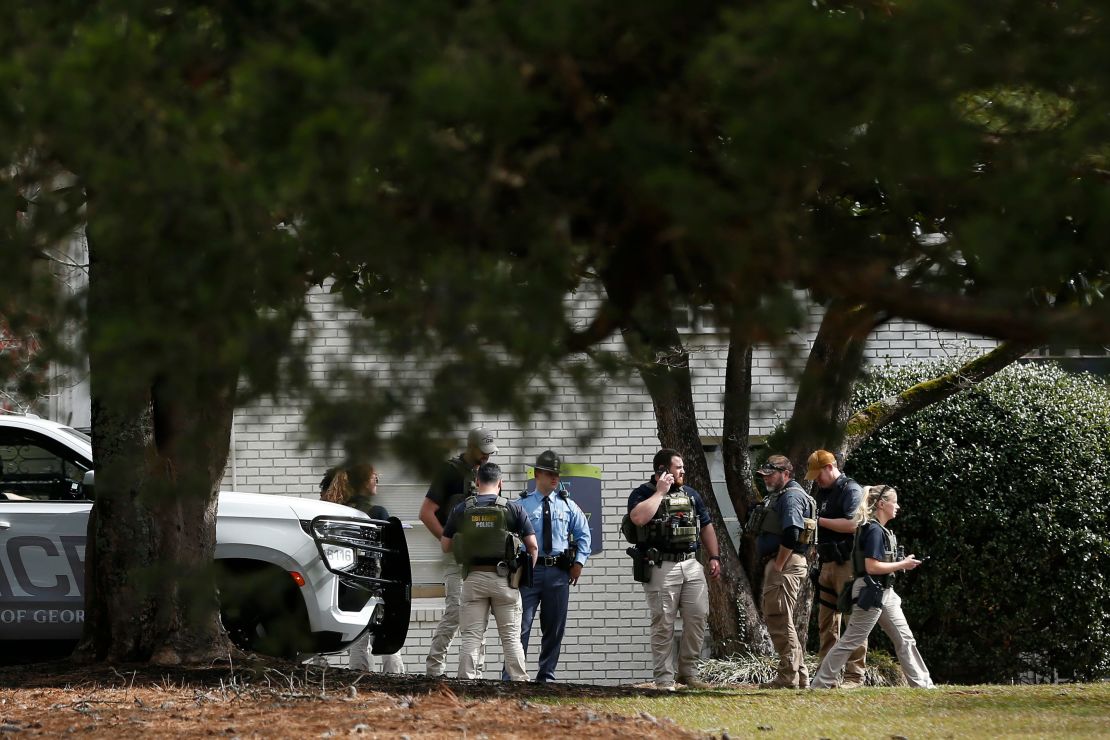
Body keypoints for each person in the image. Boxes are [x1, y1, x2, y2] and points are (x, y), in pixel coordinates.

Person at [810, 485, 934, 689]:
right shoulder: (874, 530)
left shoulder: (878, 529)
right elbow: (872, 566)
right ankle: (820, 683)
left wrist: (899, 561)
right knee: (850, 641)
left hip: (885, 592)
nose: (898, 506)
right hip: (871, 592)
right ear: (882, 504)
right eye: (895, 502)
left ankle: (923, 684)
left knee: (905, 638)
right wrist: (902, 565)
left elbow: (878, 563)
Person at [626, 448, 721, 690]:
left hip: (691, 564)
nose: (683, 471)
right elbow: (638, 518)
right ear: (662, 470)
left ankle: (688, 673)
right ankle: (664, 679)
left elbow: (706, 525)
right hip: (660, 566)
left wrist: (714, 556)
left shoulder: (691, 494)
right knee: (663, 623)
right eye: (678, 467)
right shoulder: (643, 493)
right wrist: (660, 492)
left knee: (698, 617)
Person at [441, 462, 538, 681]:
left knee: (471, 637)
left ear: (477, 483)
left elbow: (445, 545)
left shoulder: (463, 508)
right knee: (511, 637)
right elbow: (532, 546)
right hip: (505, 581)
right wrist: (522, 575)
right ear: (500, 483)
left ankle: (467, 682)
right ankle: (520, 684)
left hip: (473, 579)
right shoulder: (513, 508)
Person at [420, 428, 498, 677]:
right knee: (455, 610)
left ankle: (476, 672)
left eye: (490, 453)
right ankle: (434, 668)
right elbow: (426, 513)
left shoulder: (486, 474)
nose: (486, 458)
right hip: (455, 556)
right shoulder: (449, 472)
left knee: (478, 614)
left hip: (480, 559)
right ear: (470, 446)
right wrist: (447, 540)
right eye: (483, 452)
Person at [511, 450, 592, 682]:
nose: (554, 478)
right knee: (520, 626)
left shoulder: (568, 505)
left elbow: (584, 534)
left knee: (554, 628)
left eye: (557, 474)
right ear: (537, 474)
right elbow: (508, 536)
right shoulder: (522, 505)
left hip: (557, 573)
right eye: (549, 473)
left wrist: (579, 563)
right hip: (529, 573)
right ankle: (515, 676)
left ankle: (546, 677)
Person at [319, 464, 406, 674]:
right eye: (374, 477)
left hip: (346, 579)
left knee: (359, 637)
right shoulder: (376, 512)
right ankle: (395, 678)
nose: (377, 481)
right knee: (386, 634)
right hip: (375, 579)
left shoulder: (337, 510)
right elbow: (389, 548)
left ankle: (360, 677)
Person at [753, 455, 817, 689]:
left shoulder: (790, 497)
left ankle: (788, 676)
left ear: (786, 473)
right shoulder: (783, 495)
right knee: (783, 619)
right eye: (764, 475)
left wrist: (779, 564)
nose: (767, 479)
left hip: (785, 563)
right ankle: (799, 676)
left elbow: (791, 533)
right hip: (786, 562)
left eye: (771, 474)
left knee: (778, 617)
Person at [806, 449, 867, 687]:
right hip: (827, 562)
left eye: (818, 474)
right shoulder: (823, 492)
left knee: (854, 620)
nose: (816, 480)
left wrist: (818, 522)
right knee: (827, 622)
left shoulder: (851, 490)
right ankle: (826, 674)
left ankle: (854, 675)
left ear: (829, 467)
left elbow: (853, 524)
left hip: (847, 563)